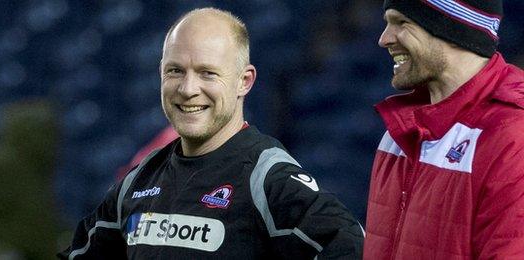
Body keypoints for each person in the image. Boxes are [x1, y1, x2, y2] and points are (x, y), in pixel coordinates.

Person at [59, 7, 364, 259]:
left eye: (208, 73)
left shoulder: (268, 180)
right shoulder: (138, 181)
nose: (188, 89)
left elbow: (353, 249)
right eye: (175, 71)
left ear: (244, 81)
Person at [364, 0, 524, 259]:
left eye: (402, 22)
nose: (384, 39)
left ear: (452, 28)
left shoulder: (512, 136)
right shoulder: (399, 131)